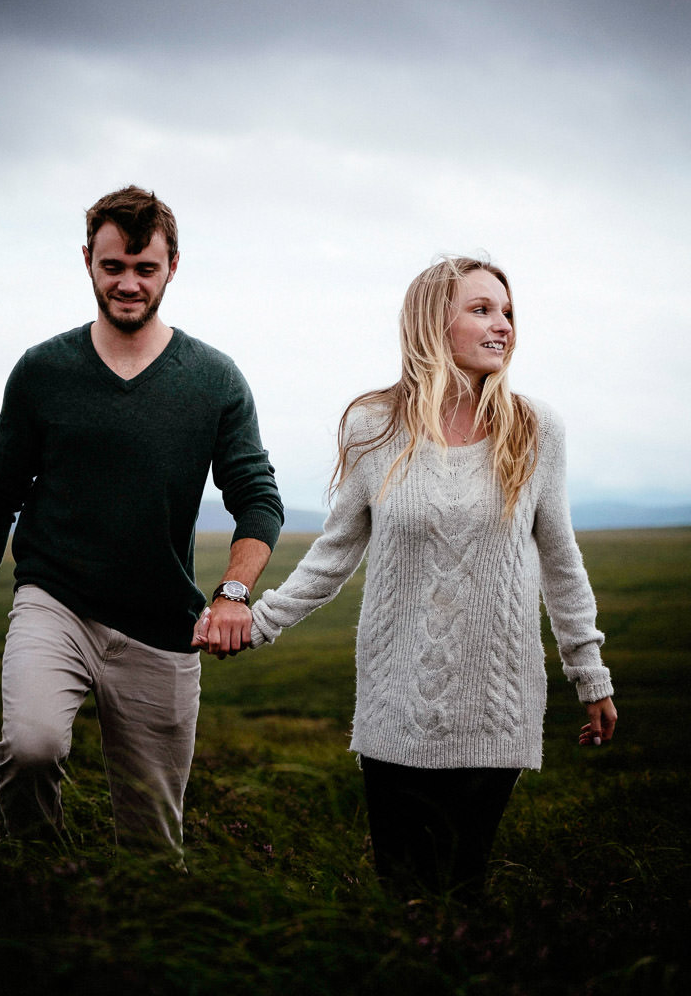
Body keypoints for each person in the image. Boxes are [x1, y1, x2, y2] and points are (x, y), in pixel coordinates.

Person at [195, 255, 616, 899]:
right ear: (432, 324)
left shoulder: (536, 430)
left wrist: (590, 676)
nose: (502, 325)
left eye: (507, 312)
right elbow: (332, 558)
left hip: (496, 705)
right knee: (404, 893)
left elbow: (561, 562)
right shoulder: (376, 428)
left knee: (460, 888)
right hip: (396, 705)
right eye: (481, 310)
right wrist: (256, 623)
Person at [0, 185, 283, 860]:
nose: (128, 283)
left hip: (162, 623)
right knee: (33, 749)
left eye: (144, 267)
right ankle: (40, 888)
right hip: (55, 602)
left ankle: (130, 939)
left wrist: (233, 593)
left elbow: (259, 499)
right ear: (88, 262)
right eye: (112, 267)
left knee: (153, 839)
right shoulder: (43, 372)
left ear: (172, 266)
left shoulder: (215, 379)